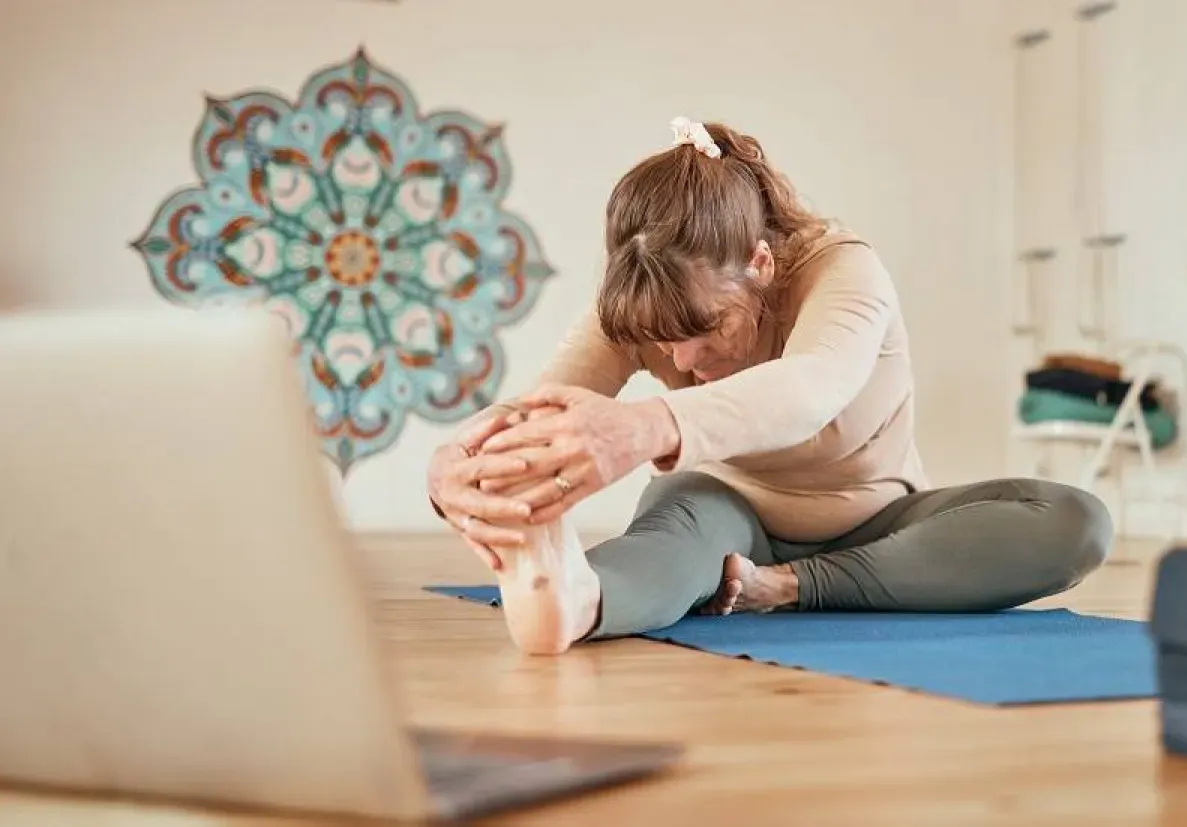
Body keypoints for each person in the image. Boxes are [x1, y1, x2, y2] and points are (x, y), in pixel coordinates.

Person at [426, 116, 1112, 655]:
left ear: (759, 263)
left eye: (707, 327)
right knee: (673, 533)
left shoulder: (843, 272)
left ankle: (789, 588)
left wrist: (644, 425)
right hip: (728, 517)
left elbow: (809, 389)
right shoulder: (645, 305)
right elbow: (530, 419)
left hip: (877, 528)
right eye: (665, 342)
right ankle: (574, 599)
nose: (685, 358)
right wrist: (453, 468)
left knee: (1076, 521)